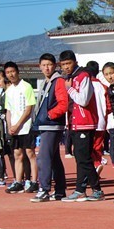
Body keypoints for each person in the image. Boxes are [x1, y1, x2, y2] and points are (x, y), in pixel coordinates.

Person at [59, 50, 104, 202]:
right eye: (63, 64)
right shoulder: (70, 78)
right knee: (79, 158)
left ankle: (97, 190)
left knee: (84, 158)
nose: (66, 67)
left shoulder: (83, 76)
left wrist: (70, 89)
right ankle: (80, 190)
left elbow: (83, 100)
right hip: (74, 124)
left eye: (68, 63)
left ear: (75, 62)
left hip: (85, 123)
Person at [30, 53, 68, 202]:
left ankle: (44, 189)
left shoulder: (58, 81)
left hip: (52, 125)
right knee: (54, 158)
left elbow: (63, 103)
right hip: (46, 124)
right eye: (44, 65)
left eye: (50, 65)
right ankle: (60, 190)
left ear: (55, 66)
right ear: (39, 66)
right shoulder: (46, 83)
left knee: (43, 157)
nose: (47, 68)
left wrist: (49, 115)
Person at [2, 61, 38, 194]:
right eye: (8, 72)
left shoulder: (26, 86)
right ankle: (18, 181)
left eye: (12, 71)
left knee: (30, 153)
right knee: (17, 154)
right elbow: (8, 110)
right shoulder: (9, 90)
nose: (11, 74)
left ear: (17, 72)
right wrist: (10, 126)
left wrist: (18, 125)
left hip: (26, 127)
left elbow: (29, 108)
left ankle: (34, 181)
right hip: (14, 129)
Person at [86, 61, 112, 179]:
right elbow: (109, 107)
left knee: (86, 147)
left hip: (87, 122)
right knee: (97, 146)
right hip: (101, 122)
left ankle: (94, 166)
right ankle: (97, 163)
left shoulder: (85, 85)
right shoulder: (103, 87)